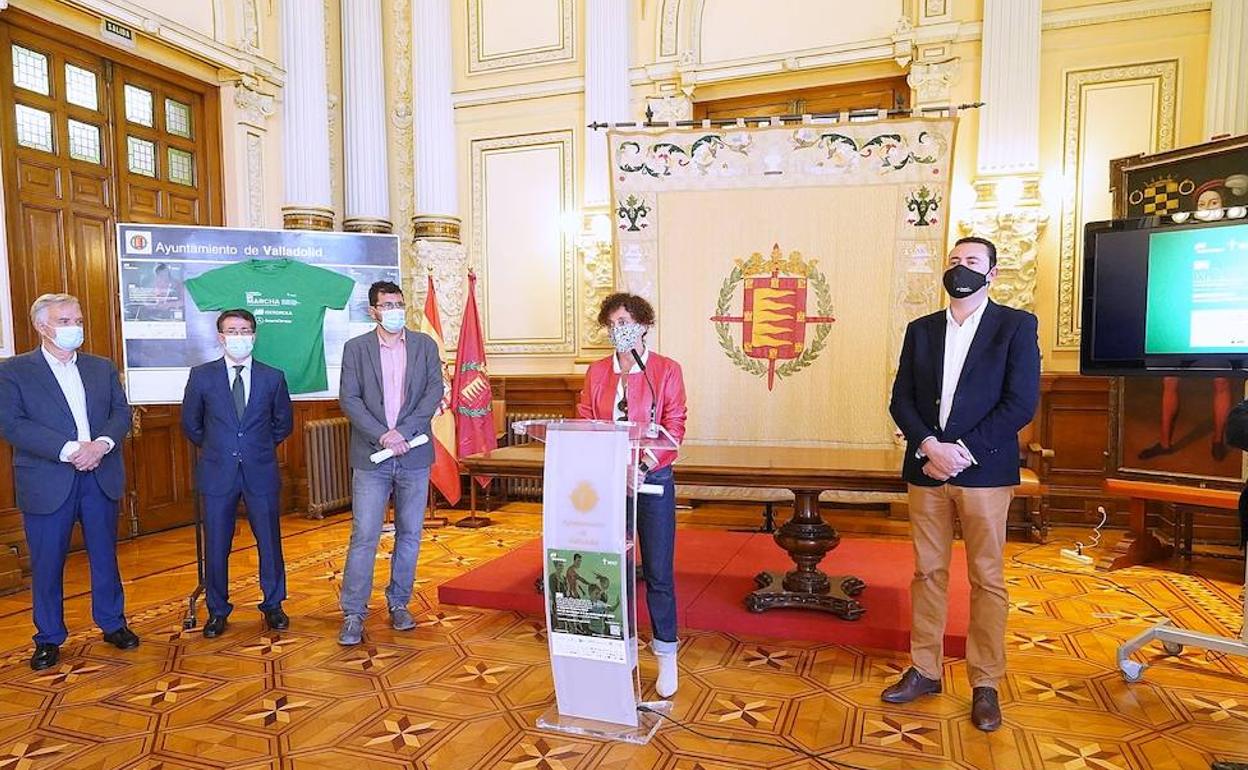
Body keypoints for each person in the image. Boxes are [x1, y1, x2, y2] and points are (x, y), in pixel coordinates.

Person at [885, 237, 1041, 732]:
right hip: (927, 469)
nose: (960, 268)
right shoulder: (922, 330)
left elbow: (1020, 404)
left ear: (992, 274)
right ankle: (926, 669)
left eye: (971, 262)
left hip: (985, 472)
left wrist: (962, 453)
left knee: (987, 578)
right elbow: (901, 399)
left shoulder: (1015, 326)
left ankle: (986, 683)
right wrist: (930, 446)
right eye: (954, 261)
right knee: (927, 573)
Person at [0, 293, 138, 670]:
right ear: (42, 327)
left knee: (105, 557)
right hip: (48, 480)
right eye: (65, 321)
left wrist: (102, 445)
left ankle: (112, 623)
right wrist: (68, 450)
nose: (75, 327)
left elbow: (120, 412)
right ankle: (48, 637)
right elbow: (12, 424)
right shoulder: (14, 371)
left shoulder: (101, 367)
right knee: (47, 562)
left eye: (77, 320)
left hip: (100, 475)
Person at [577, 292, 688, 698]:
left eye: (624, 322)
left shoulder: (666, 370)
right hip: (607, 486)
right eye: (611, 324)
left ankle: (666, 654)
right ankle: (614, 652)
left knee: (658, 572)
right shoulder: (596, 372)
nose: (617, 331)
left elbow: (674, 426)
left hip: (652, 482)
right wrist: (608, 468)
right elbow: (586, 421)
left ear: (643, 324)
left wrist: (640, 467)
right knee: (609, 571)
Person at [336, 281, 443, 646]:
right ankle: (353, 612)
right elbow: (349, 399)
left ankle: (399, 602)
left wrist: (404, 433)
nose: (395, 309)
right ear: (373, 311)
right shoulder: (356, 349)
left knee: (410, 534)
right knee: (364, 535)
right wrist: (384, 435)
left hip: (414, 455)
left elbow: (433, 392)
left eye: (399, 303)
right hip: (372, 457)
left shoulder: (425, 346)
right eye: (387, 304)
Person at [181, 309, 294, 638]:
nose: (239, 335)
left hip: (260, 470)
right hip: (218, 472)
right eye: (232, 330)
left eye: (245, 329)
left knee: (269, 541)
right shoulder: (202, 376)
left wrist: (252, 448)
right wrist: (222, 448)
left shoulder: (273, 377)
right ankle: (217, 610)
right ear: (220, 337)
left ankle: (273, 604)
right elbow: (192, 424)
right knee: (217, 543)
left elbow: (282, 424)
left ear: (254, 335)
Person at [1139, 184, 1235, 463]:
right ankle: (1166, 442)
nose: (1209, 207)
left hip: (1220, 319)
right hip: (1181, 320)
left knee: (1221, 382)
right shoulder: (1181, 238)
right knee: (1170, 381)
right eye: (1203, 203)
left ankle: (1219, 440)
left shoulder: (1235, 236)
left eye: (1214, 201)